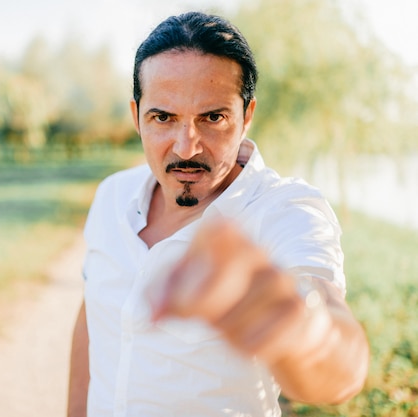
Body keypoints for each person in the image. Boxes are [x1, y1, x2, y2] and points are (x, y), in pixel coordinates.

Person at [67, 11, 369, 417]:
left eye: (213, 117)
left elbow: (341, 372)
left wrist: (295, 325)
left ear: (247, 115)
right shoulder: (111, 196)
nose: (186, 146)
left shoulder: (286, 211)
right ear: (136, 116)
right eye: (163, 117)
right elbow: (95, 319)